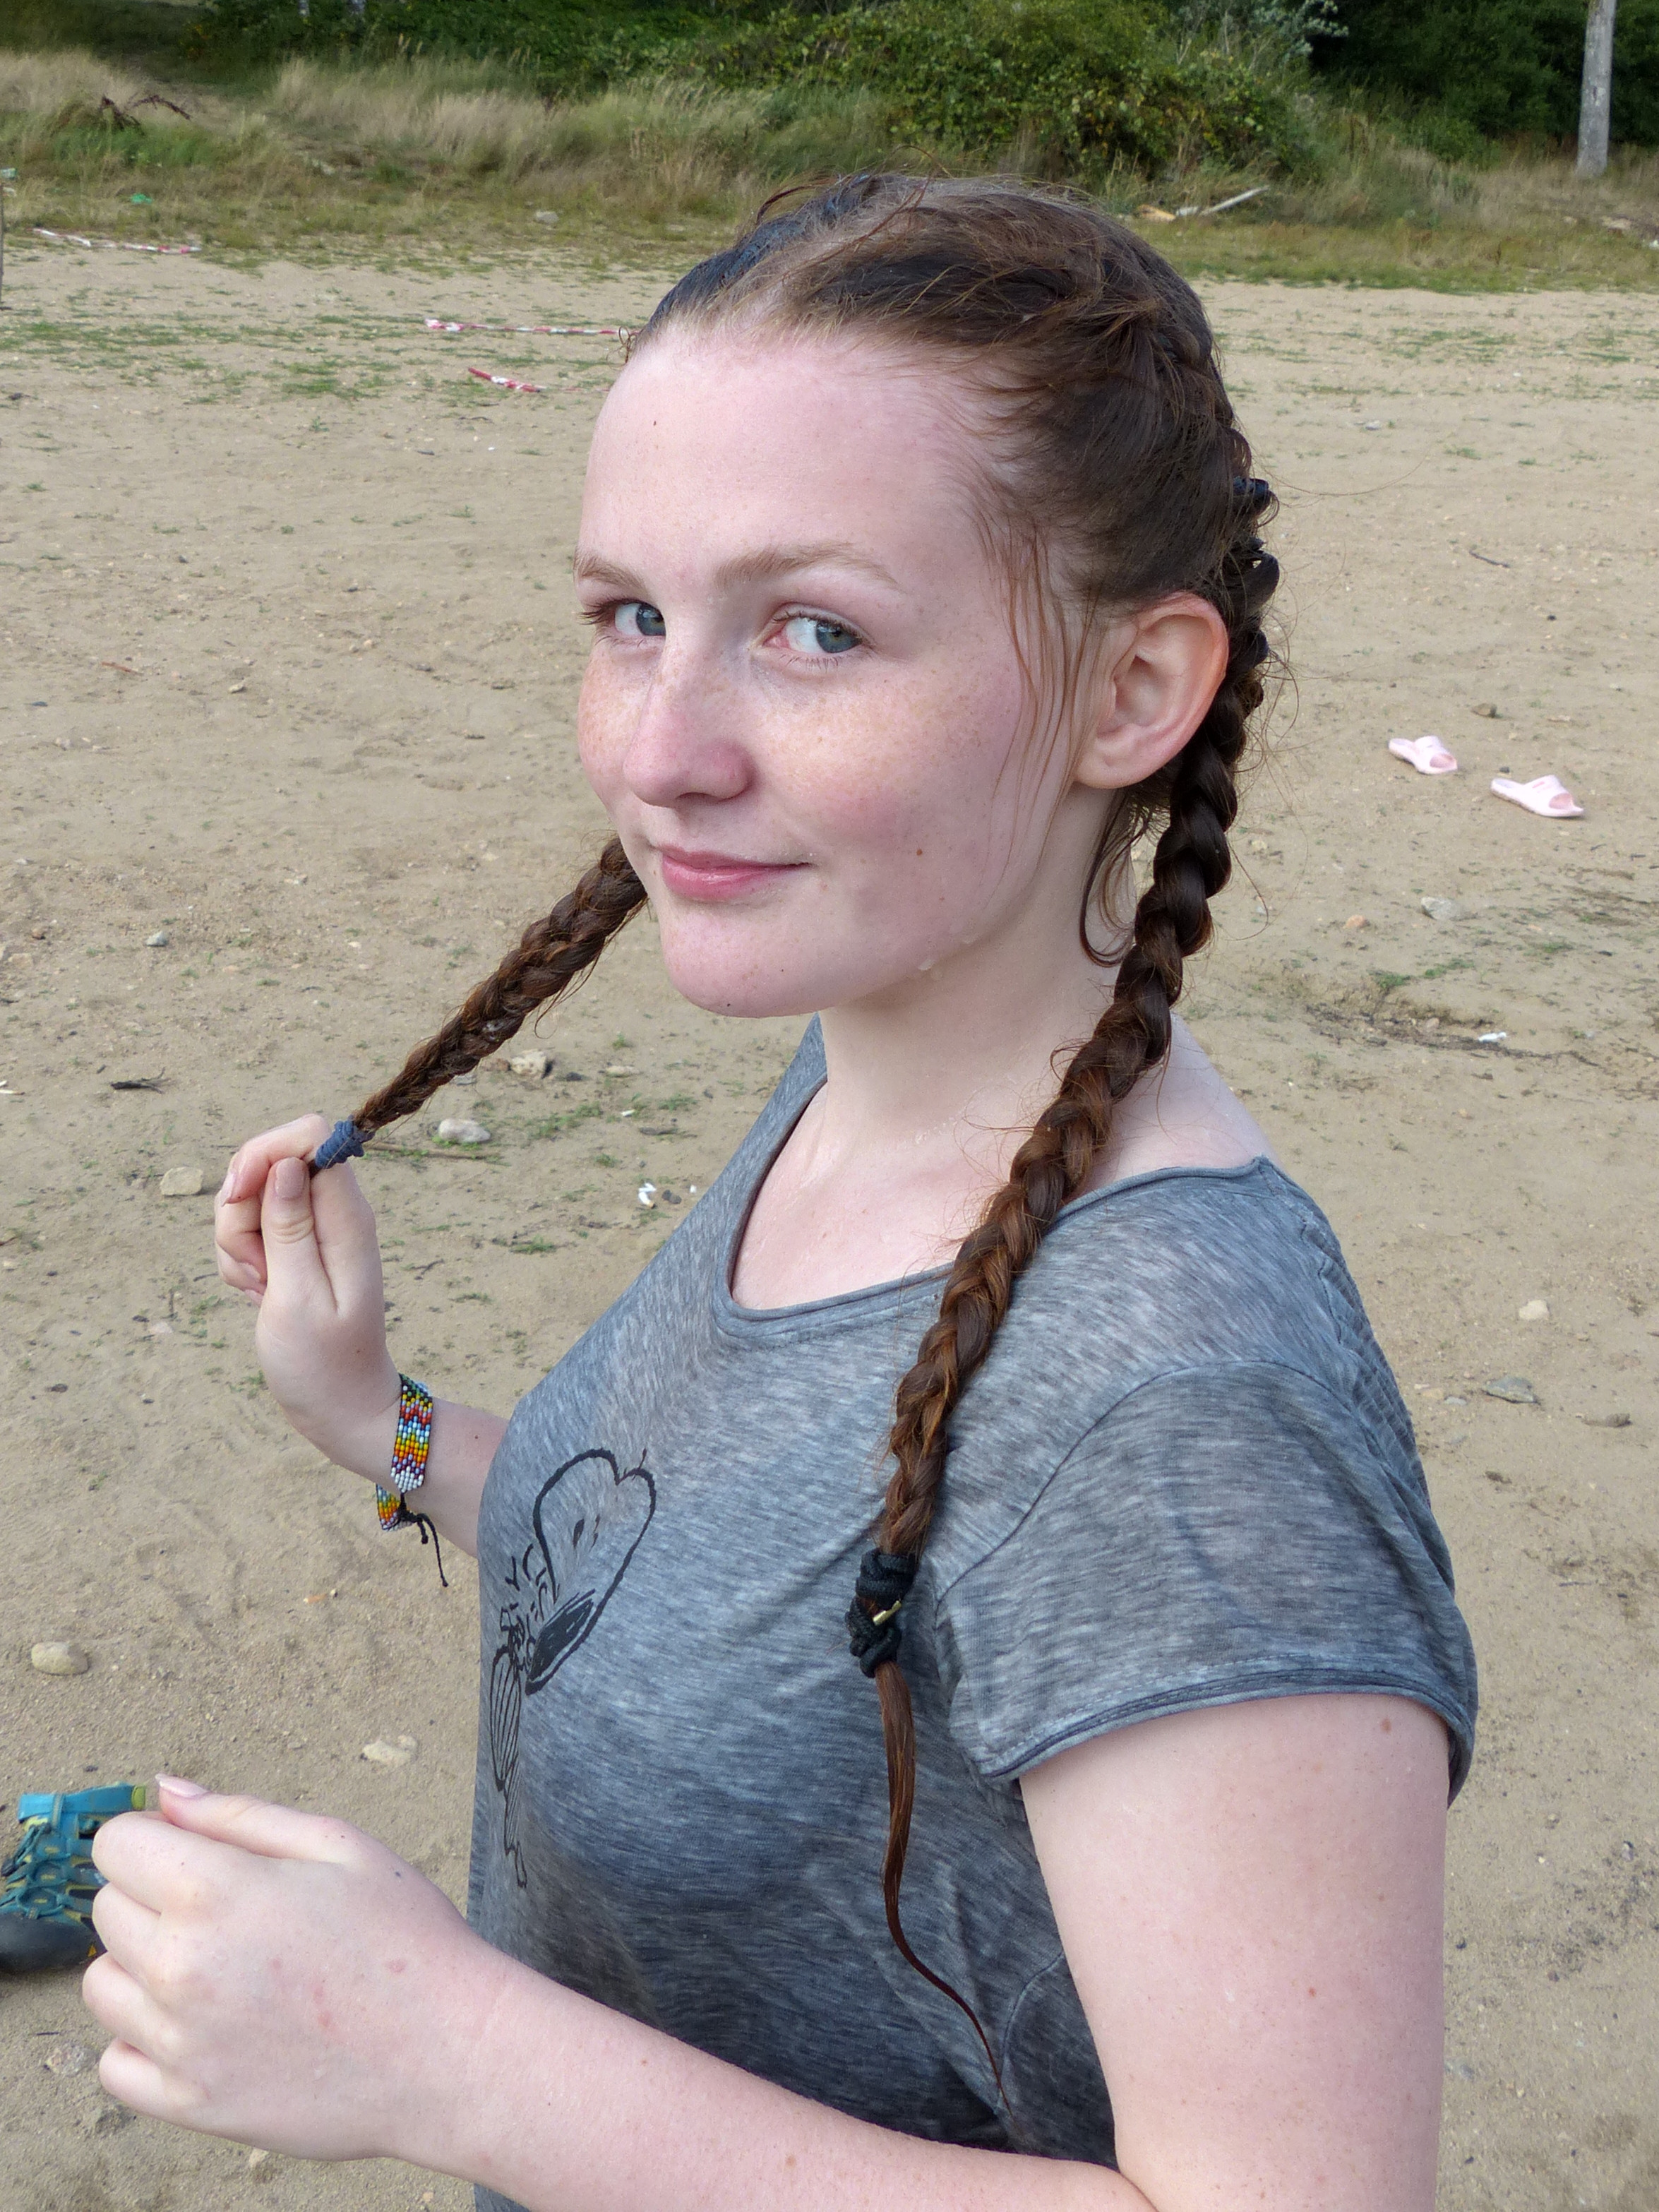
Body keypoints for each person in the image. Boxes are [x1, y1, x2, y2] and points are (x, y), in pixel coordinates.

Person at [82, 176, 1475, 2212]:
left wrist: (452, 2057)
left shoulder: (1178, 1406)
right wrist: (383, 1424)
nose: (663, 751)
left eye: (815, 631)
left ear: (1130, 694)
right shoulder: (871, 1074)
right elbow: (732, 1587)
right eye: (630, 617)